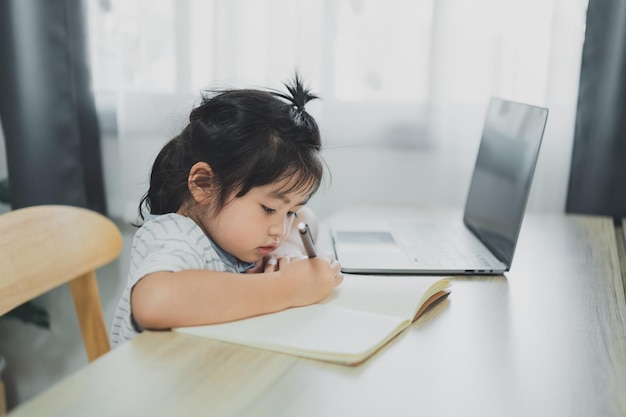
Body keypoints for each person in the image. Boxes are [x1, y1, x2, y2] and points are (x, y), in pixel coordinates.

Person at [111, 75, 343, 347]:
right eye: (269, 209)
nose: (279, 229)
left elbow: (307, 218)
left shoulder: (244, 237)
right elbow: (154, 302)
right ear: (204, 184)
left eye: (289, 212)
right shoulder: (178, 236)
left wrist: (288, 252)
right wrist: (288, 287)